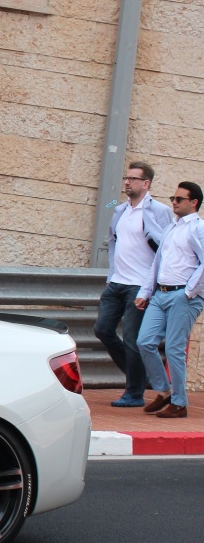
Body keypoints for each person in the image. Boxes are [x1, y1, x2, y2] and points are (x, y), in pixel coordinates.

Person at [97, 162, 173, 407]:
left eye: (132, 178)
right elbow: (114, 242)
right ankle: (138, 376)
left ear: (146, 183)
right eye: (126, 178)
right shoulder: (119, 210)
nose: (127, 182)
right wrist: (111, 276)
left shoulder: (159, 211)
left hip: (139, 286)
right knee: (102, 329)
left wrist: (150, 287)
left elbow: (167, 248)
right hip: (116, 283)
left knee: (131, 339)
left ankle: (134, 393)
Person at [135, 181, 204, 418]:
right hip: (160, 294)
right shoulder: (172, 228)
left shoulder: (198, 228)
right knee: (144, 341)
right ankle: (164, 392)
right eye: (173, 198)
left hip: (183, 295)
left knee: (174, 349)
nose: (173, 202)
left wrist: (189, 292)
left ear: (193, 202)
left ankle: (179, 403)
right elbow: (157, 263)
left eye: (179, 199)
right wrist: (145, 292)